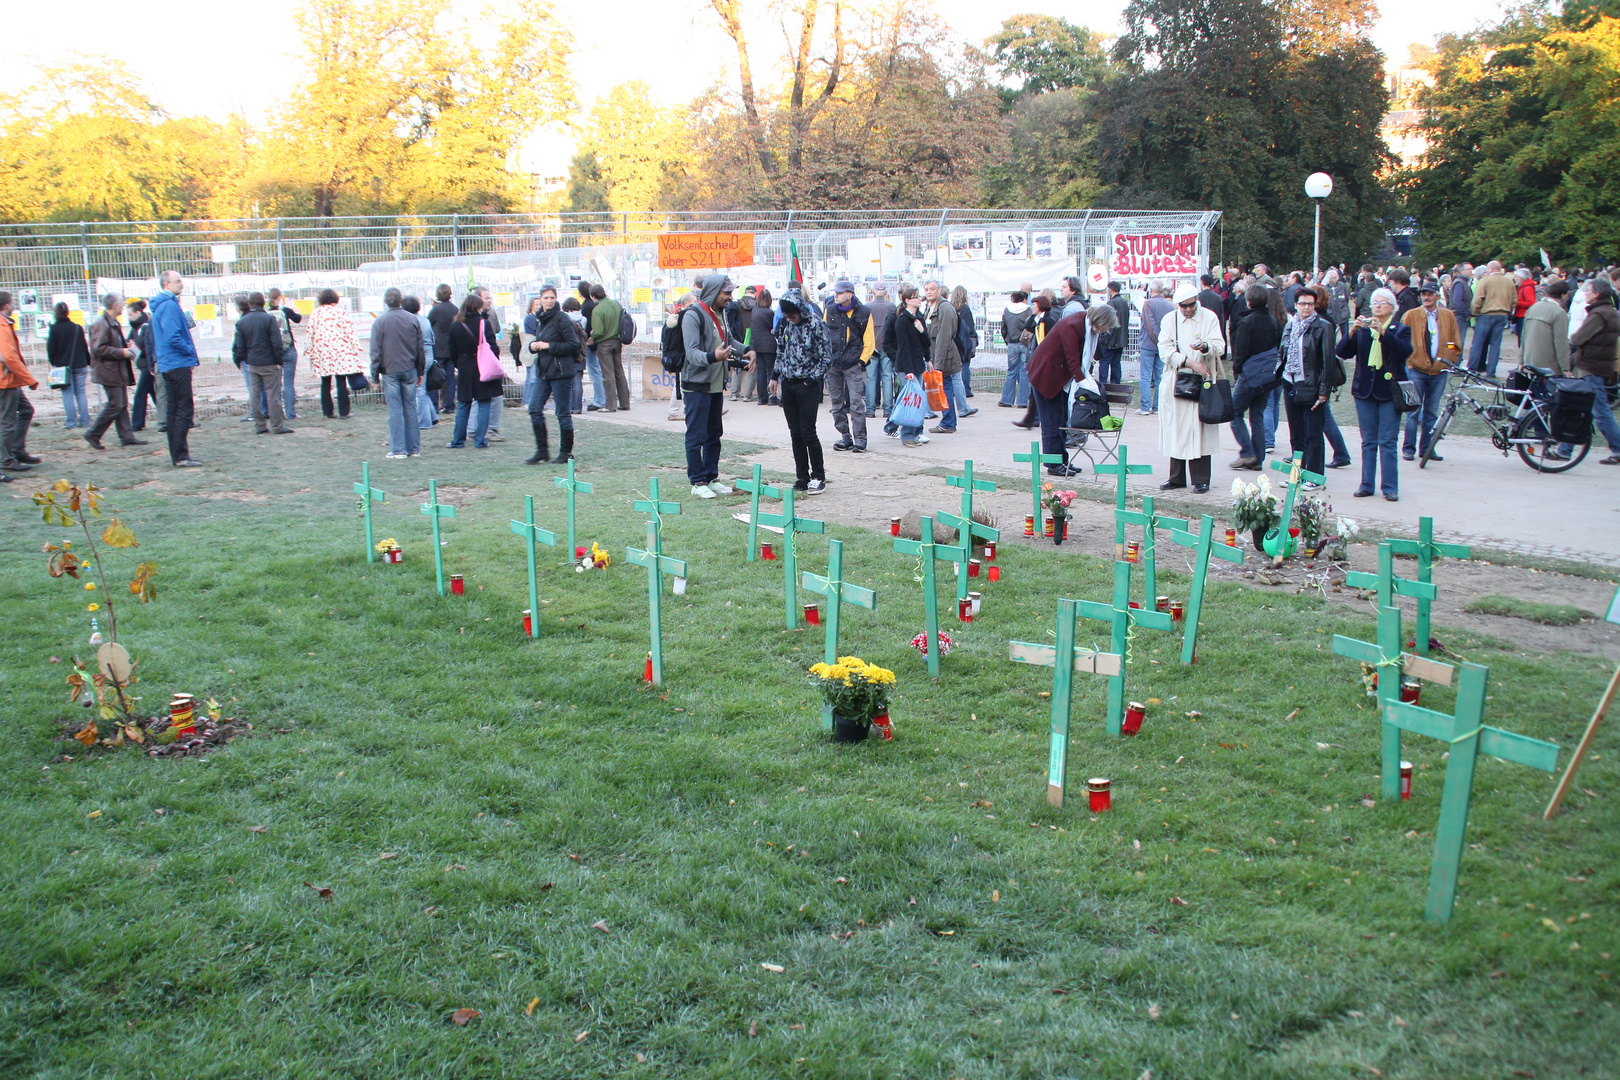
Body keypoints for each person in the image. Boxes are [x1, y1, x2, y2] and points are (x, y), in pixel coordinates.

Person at [680, 274, 753, 497]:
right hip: (697, 385)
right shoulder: (693, 315)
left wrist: (748, 349)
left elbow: (729, 341)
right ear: (713, 291)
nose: (730, 297)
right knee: (696, 435)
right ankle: (697, 482)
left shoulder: (719, 313)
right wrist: (714, 356)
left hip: (715, 384)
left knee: (714, 433)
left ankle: (711, 477)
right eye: (727, 293)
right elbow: (692, 353)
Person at [1338, 288, 1413, 500]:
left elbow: (1405, 352)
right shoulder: (1363, 329)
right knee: (1368, 441)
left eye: (1382, 302)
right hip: (1365, 392)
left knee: (1388, 441)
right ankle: (1366, 484)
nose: (1377, 306)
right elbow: (1342, 352)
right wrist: (1351, 333)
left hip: (1389, 393)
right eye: (1374, 303)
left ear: (1392, 307)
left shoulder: (1400, 329)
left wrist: (1384, 334)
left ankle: (1389, 487)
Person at [1028, 305, 1113, 479]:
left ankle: (1063, 460)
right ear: (1100, 320)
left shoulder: (1086, 326)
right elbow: (1072, 359)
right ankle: (1053, 463)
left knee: (1062, 420)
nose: (1105, 331)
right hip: (1046, 376)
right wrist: (1087, 385)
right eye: (1106, 326)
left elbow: (1090, 356)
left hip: (1060, 379)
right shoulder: (1073, 326)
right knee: (1052, 422)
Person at [1158, 283, 1226, 492]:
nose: (1188, 309)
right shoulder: (1170, 319)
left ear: (1197, 300)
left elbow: (1220, 345)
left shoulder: (1209, 317)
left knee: (1200, 428)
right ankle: (1176, 477)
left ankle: (1201, 479)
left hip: (1202, 380)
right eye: (1184, 306)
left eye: (1191, 305)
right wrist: (1187, 361)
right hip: (1177, 379)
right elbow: (1164, 349)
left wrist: (1206, 347)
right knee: (1175, 427)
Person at [769, 286, 832, 492]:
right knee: (795, 433)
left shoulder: (816, 324)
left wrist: (811, 381)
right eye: (786, 315)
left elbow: (826, 357)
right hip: (789, 384)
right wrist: (775, 376)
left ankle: (818, 475)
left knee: (808, 432)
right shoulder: (785, 325)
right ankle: (802, 476)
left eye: (793, 314)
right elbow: (781, 351)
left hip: (807, 385)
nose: (790, 317)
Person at [1399, 282, 1462, 462]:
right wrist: (1409, 361)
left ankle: (1427, 449)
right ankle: (1408, 448)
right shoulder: (1411, 315)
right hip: (1416, 369)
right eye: (1424, 294)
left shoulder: (1448, 316)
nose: (1426, 297)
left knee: (1432, 412)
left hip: (1439, 371)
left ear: (1437, 296)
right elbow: (1402, 340)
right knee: (1412, 410)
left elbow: (1454, 341)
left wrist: (1448, 355)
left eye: (1430, 294)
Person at [1560, 276, 1620, 464]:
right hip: (1597, 365)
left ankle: (1618, 448)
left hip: (1591, 367)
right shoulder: (1609, 312)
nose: (1586, 293)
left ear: (1598, 293)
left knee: (1598, 410)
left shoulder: (1599, 314)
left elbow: (1578, 339)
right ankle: (1565, 448)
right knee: (1583, 408)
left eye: (1589, 290)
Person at [1278, 288, 1336, 482]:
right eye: (1302, 303)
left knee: (1313, 433)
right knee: (1296, 433)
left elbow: (1328, 361)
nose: (1306, 307)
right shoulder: (1290, 325)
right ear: (1296, 305)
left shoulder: (1323, 327)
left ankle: (1314, 476)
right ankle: (1297, 475)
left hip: (1311, 384)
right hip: (1290, 382)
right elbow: (1283, 351)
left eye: (1310, 304)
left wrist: (1324, 390)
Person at [522, 285, 580, 464]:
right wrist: (534, 347)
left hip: (561, 371)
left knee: (562, 412)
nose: (548, 301)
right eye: (545, 298)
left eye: (551, 298)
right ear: (540, 300)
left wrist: (549, 346)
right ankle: (542, 451)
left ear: (556, 299)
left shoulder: (562, 318)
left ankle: (565, 452)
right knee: (534, 408)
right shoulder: (541, 318)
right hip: (543, 371)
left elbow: (573, 344)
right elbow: (540, 342)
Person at [149, 271, 202, 468]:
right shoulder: (170, 306)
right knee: (184, 409)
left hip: (168, 364)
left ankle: (177, 454)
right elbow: (173, 336)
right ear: (166, 284)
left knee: (173, 410)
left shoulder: (161, 305)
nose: (182, 284)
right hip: (177, 363)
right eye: (178, 281)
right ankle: (181, 455)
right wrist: (188, 350)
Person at [83, 293, 145, 452]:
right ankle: (93, 433)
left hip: (115, 370)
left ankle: (127, 437)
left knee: (121, 404)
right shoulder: (101, 324)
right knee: (116, 404)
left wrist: (125, 345)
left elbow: (108, 344)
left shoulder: (111, 323)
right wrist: (121, 352)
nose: (123, 305)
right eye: (121, 303)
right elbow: (98, 349)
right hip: (108, 371)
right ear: (114, 305)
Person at [1227, 286, 1281, 469]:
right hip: (1267, 376)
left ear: (1248, 301)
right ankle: (1258, 458)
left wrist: (1237, 371)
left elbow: (1240, 351)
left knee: (1234, 412)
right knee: (1257, 416)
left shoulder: (1247, 322)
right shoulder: (1274, 322)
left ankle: (1248, 452)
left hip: (1249, 374)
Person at [369, 287, 425, 459]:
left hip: (390, 370)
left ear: (386, 302)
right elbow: (419, 348)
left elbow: (375, 350)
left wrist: (374, 374)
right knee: (410, 408)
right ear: (401, 300)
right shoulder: (413, 320)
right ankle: (414, 449)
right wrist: (420, 370)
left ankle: (398, 449)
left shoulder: (380, 322)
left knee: (395, 410)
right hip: (409, 369)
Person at [232, 291, 292, 436]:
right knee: (273, 396)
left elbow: (240, 346)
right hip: (270, 363)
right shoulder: (269, 319)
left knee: (254, 395)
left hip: (252, 363)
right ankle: (277, 426)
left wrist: (245, 360)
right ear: (263, 302)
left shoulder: (241, 322)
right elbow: (276, 342)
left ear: (249, 304)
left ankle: (259, 425)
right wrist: (278, 361)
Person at [447, 293, 501, 449]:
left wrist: (458, 364)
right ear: (478, 307)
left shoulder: (456, 325)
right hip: (482, 365)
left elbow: (451, 349)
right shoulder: (483, 324)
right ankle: (480, 440)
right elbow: (493, 346)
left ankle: (458, 441)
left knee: (464, 405)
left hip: (464, 365)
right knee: (484, 403)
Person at [824, 279, 873, 452]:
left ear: (849, 294)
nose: (835, 295)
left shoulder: (865, 312)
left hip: (853, 364)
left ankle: (860, 439)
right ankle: (845, 436)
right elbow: (824, 336)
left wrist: (861, 361)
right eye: (835, 292)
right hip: (833, 364)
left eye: (839, 292)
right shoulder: (829, 311)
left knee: (856, 403)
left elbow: (869, 341)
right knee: (837, 403)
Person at [883, 286, 932, 446]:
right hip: (906, 366)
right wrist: (908, 371)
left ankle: (910, 430)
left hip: (918, 364)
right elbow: (903, 347)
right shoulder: (902, 320)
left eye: (919, 297)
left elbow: (926, 343)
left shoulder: (919, 319)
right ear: (907, 300)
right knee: (913, 399)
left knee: (911, 398)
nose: (920, 299)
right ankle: (909, 434)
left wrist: (922, 331)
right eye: (916, 297)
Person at [305, 288, 364, 419]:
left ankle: (328, 411)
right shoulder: (340, 312)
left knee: (325, 381)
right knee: (341, 381)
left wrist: (309, 350)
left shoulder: (315, 313)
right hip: (341, 351)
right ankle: (344, 411)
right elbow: (350, 331)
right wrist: (356, 347)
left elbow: (310, 333)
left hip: (322, 352)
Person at [0, 291, 40, 480]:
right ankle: (6, 460)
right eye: (13, 302)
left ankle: (16, 450)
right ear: (7, 305)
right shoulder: (1, 325)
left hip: (10, 381)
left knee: (26, 411)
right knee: (7, 422)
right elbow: (8, 357)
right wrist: (29, 379)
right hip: (5, 382)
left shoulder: (5, 323)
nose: (14, 305)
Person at [923, 279, 963, 433]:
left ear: (939, 290)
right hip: (935, 354)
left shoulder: (945, 307)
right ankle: (948, 420)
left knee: (945, 388)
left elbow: (944, 336)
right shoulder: (930, 307)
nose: (928, 292)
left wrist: (937, 362)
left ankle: (948, 422)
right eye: (926, 289)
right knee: (943, 388)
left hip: (945, 356)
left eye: (932, 289)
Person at [47, 303, 91, 429]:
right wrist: (87, 361)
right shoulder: (77, 328)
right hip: (80, 364)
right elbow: (84, 345)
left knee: (67, 394)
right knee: (81, 393)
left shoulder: (54, 329)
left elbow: (51, 349)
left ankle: (71, 423)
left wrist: (54, 363)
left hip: (63, 367)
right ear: (68, 312)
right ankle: (85, 422)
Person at [589, 283, 631, 410]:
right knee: (619, 372)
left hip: (604, 344)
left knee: (608, 375)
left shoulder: (597, 310)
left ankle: (610, 405)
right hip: (617, 341)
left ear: (592, 296)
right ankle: (625, 403)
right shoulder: (615, 304)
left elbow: (598, 331)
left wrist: (592, 336)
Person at [1469, 261, 1515, 376]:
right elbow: (1514, 300)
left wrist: (1476, 313)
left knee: (1477, 344)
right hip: (1502, 314)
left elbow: (1477, 300)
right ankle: (1491, 371)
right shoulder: (1509, 282)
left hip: (1486, 314)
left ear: (1490, 269)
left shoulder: (1485, 281)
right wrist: (1507, 311)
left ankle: (1472, 369)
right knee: (1495, 345)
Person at [402, 295, 439, 432]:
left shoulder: (411, 321)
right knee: (422, 388)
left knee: (419, 390)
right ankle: (432, 416)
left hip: (420, 356)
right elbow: (432, 338)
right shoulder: (424, 320)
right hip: (429, 354)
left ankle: (424, 421)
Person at [474, 287, 507, 439]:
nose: (489, 300)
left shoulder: (491, 314)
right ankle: (478, 429)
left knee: (495, 396)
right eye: (486, 297)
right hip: (480, 361)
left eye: (489, 297)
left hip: (491, 359)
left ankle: (490, 428)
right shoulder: (475, 320)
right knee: (480, 398)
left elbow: (496, 330)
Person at [1520, 279, 1571, 375]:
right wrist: (1565, 368)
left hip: (1529, 360)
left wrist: (1521, 361)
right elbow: (1561, 342)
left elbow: (1524, 336)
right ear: (1563, 295)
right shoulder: (1559, 312)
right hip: (1548, 364)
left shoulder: (1533, 307)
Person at [128, 298, 164, 432]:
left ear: (138, 312)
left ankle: (137, 423)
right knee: (156, 393)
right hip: (143, 364)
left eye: (130, 314)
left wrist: (133, 345)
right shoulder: (135, 329)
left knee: (140, 393)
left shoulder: (146, 326)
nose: (129, 317)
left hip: (148, 366)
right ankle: (167, 416)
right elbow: (130, 342)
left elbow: (140, 344)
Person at [1138, 281, 1173, 415]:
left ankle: (1145, 406)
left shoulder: (1148, 303)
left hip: (1149, 344)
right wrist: (1163, 341)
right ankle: (1157, 406)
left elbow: (1150, 324)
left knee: (1146, 376)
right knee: (1160, 377)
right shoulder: (1169, 305)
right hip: (1163, 345)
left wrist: (1158, 340)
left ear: (1151, 289)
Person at [266, 288, 302, 419]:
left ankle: (276, 412)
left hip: (272, 352)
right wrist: (295, 311)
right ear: (280, 297)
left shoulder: (265, 313)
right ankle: (291, 413)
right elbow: (298, 319)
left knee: (275, 384)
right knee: (288, 382)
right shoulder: (284, 311)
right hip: (288, 350)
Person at [863, 284, 893, 416]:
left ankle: (870, 410)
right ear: (885, 291)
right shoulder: (891, 307)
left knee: (871, 378)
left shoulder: (867, 307)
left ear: (873, 291)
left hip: (871, 346)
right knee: (887, 378)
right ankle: (888, 410)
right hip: (886, 345)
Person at [428, 284, 458, 414]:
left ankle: (434, 406)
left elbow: (428, 324)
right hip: (451, 348)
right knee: (450, 378)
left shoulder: (436, 310)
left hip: (438, 348)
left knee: (434, 377)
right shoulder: (455, 309)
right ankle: (449, 405)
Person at [999, 291, 1031, 408]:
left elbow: (1003, 328)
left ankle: (1007, 399)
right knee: (1024, 371)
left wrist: (1007, 340)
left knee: (1011, 371)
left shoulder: (1007, 310)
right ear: (1024, 299)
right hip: (1025, 343)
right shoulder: (1028, 310)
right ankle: (1023, 401)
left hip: (1012, 343)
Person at [579, 281, 607, 412]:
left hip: (591, 343)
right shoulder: (598, 305)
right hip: (601, 342)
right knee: (601, 371)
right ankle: (604, 398)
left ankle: (599, 400)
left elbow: (588, 326)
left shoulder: (586, 307)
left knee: (594, 372)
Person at [751, 287, 780, 406]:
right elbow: (772, 327)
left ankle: (761, 397)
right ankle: (772, 396)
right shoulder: (769, 312)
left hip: (757, 344)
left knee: (761, 372)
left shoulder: (754, 311)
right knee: (771, 371)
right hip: (769, 344)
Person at [1099, 280, 1130, 385]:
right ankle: (1115, 384)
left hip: (1110, 339)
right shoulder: (1124, 302)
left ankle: (1103, 384)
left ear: (1110, 289)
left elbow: (1107, 321)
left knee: (1104, 362)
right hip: (1121, 339)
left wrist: (1103, 336)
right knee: (1116, 363)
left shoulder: (1111, 303)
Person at [952, 285, 979, 398]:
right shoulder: (965, 308)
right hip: (965, 339)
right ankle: (966, 389)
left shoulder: (951, 308)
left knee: (956, 367)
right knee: (966, 365)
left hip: (955, 340)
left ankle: (957, 389)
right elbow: (969, 327)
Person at [1447, 262, 1474, 354]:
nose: (1471, 271)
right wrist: (1466, 314)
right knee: (1458, 341)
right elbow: (1457, 301)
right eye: (1468, 269)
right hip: (1459, 316)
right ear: (1462, 271)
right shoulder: (1459, 283)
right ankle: (1454, 362)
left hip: (1460, 315)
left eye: (1471, 269)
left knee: (1458, 341)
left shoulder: (1464, 282)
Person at [1322, 267, 1352, 341]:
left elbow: (1346, 299)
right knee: (1331, 336)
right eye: (1333, 278)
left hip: (1343, 314)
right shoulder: (1324, 288)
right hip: (1330, 315)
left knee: (1345, 335)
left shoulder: (1342, 286)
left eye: (1336, 277)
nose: (1336, 279)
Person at [1512, 268, 1538, 345]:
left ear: (1522, 277)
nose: (1515, 278)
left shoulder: (1527, 288)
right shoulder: (1524, 287)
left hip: (1523, 316)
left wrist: (1516, 302)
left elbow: (1531, 303)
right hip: (1521, 316)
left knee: (1522, 339)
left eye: (1517, 276)